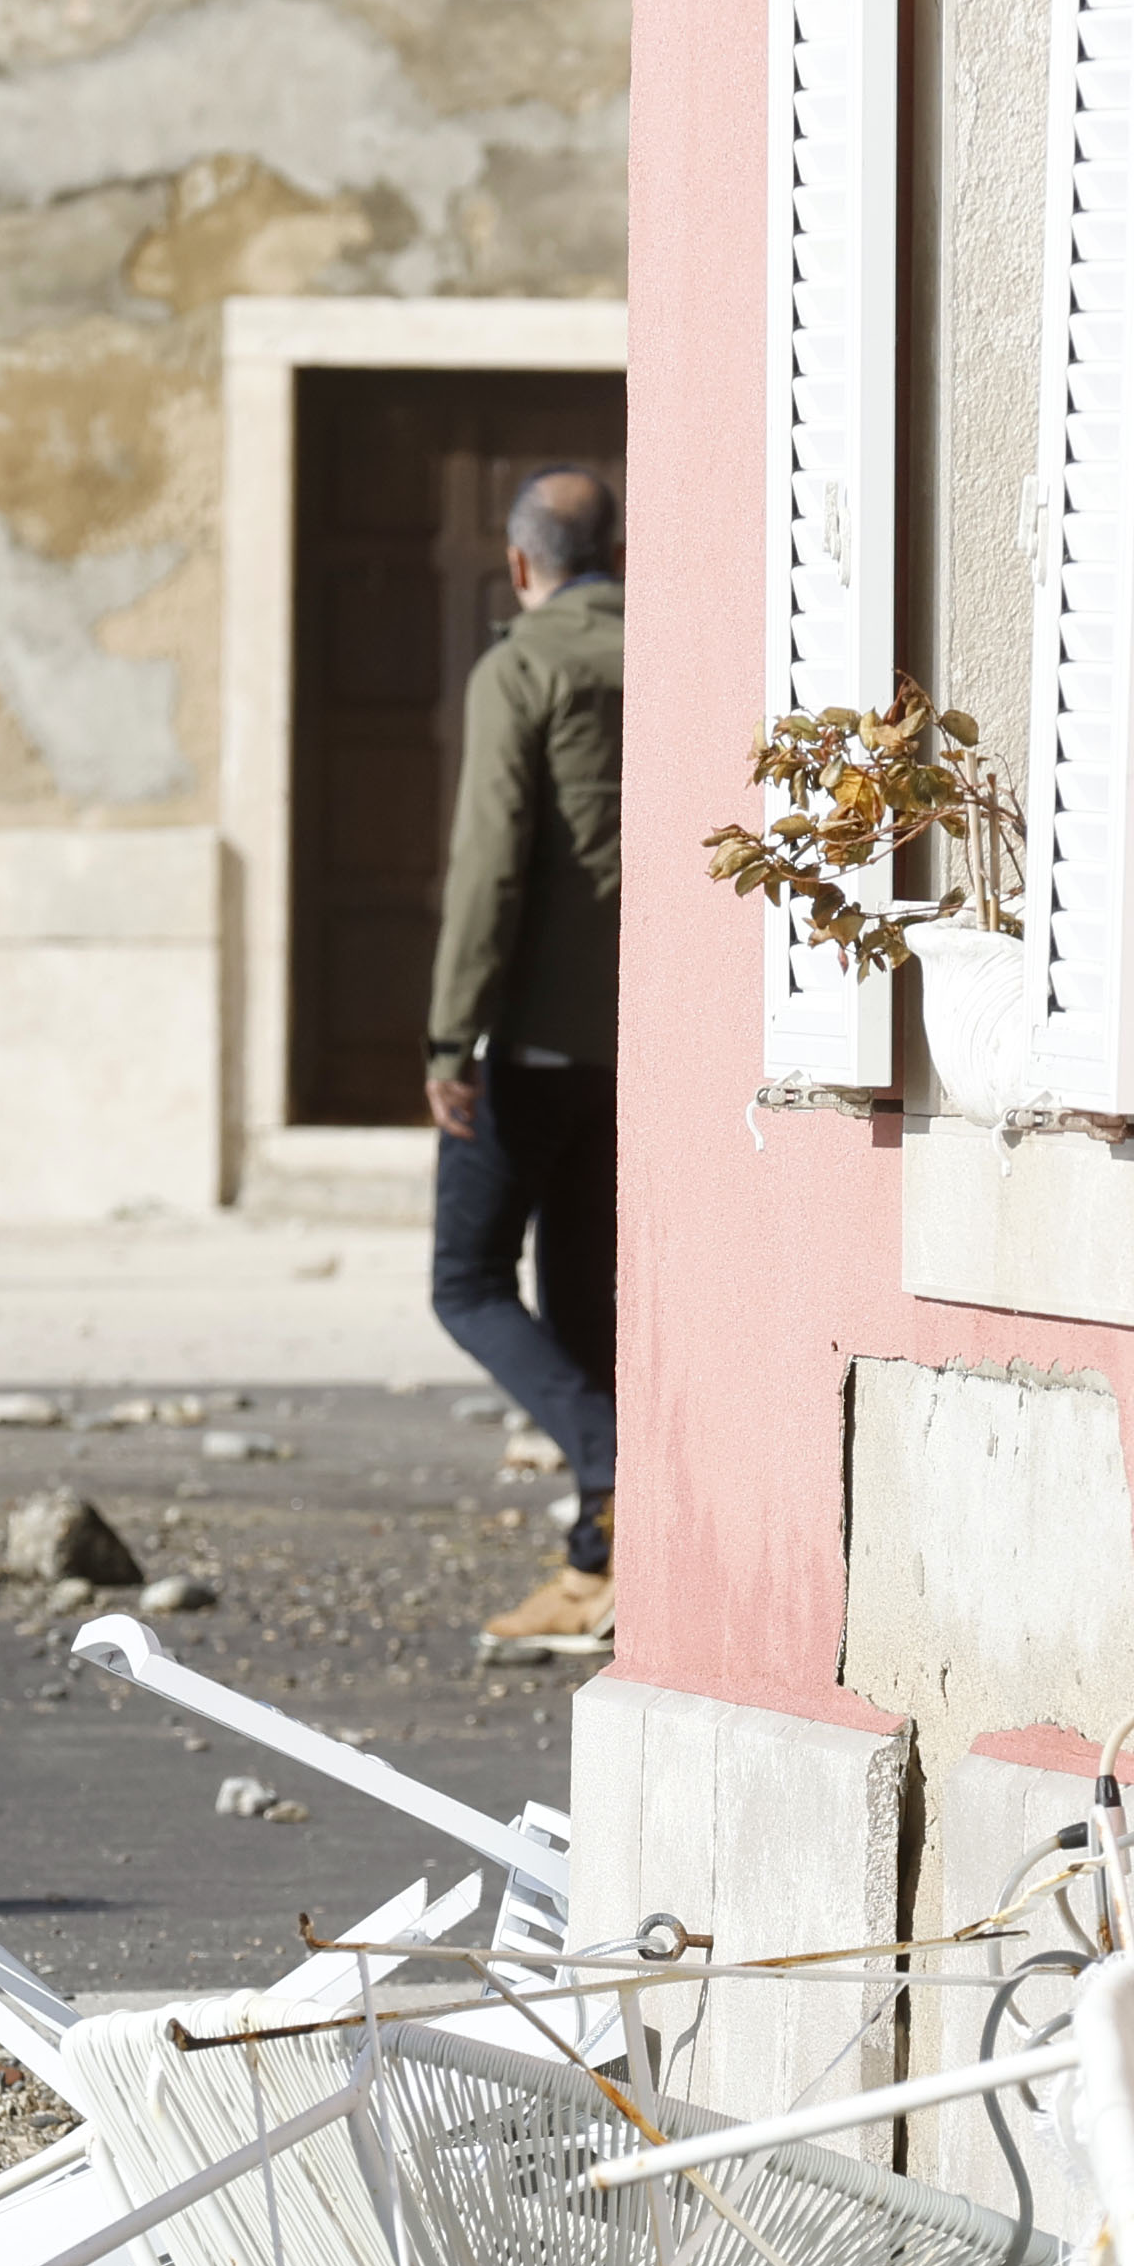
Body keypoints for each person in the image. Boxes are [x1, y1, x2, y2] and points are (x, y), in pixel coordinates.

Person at [426, 465, 627, 1651]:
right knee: (586, 1293)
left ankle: (611, 1469)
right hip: (635, 1044)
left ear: (519, 565)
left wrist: (452, 1034)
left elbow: (490, 863)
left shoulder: (523, 665)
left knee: (468, 1280)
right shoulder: (675, 651)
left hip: (533, 1041)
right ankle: (598, 1561)